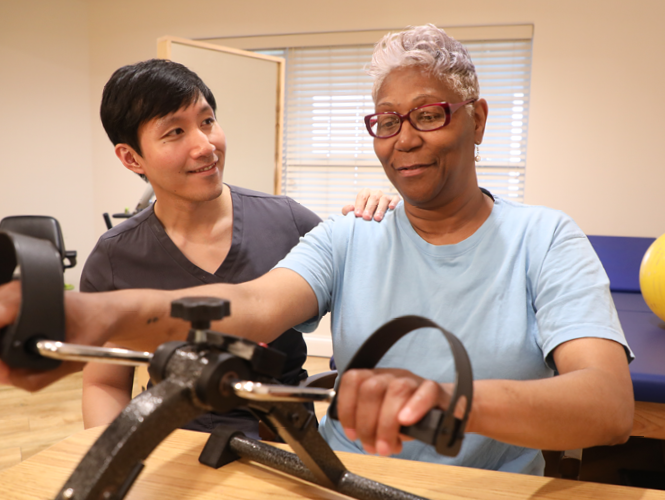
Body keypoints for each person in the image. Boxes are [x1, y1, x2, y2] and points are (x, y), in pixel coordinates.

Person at [0, 25, 633, 475]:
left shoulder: (546, 237)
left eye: (429, 115)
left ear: (478, 120)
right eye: (386, 120)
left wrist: (446, 399)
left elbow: (606, 407)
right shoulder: (347, 234)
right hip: (337, 478)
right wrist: (90, 316)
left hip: (482, 487)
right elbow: (247, 304)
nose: (403, 139)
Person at [79, 59, 398, 435]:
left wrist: (381, 214)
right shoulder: (115, 257)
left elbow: (372, 313)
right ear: (131, 157)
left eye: (207, 121)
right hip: (172, 443)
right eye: (175, 132)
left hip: (288, 442)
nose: (205, 145)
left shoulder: (289, 222)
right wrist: (116, 464)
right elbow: (105, 382)